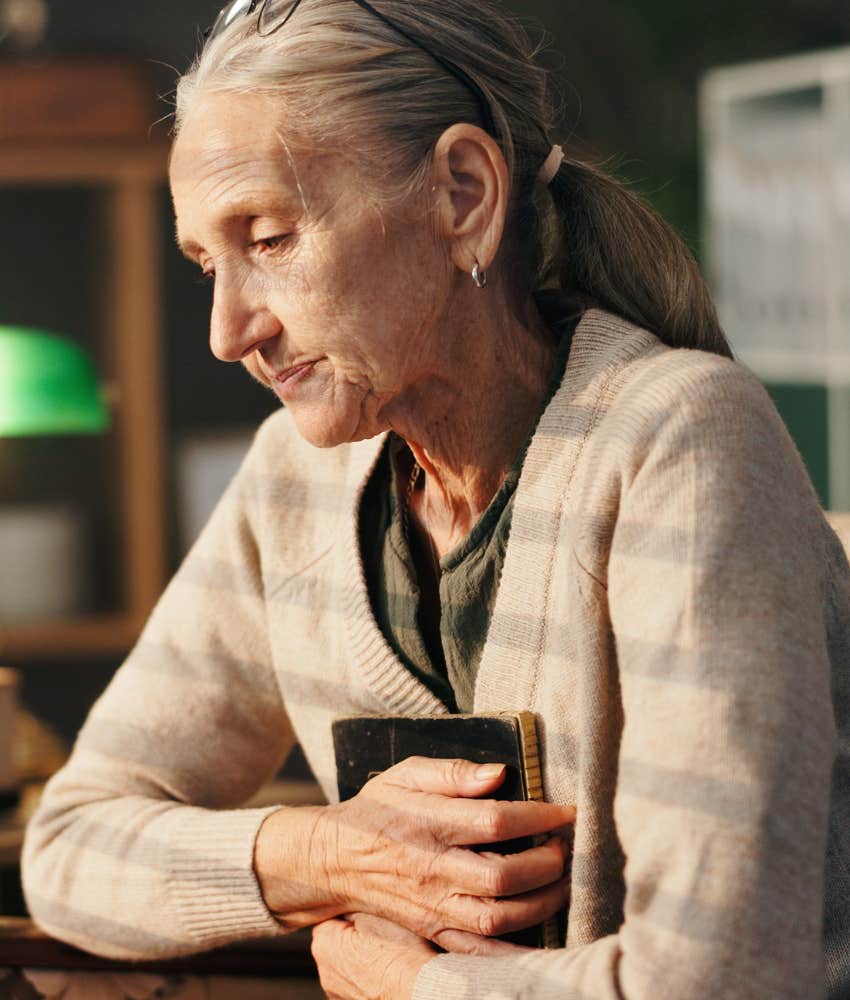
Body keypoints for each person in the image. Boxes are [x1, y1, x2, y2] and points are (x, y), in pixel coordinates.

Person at [21, 0, 850, 997]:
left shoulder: (678, 443)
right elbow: (67, 846)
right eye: (206, 264)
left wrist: (415, 987)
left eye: (271, 239)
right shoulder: (295, 477)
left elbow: (724, 979)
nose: (227, 331)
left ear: (462, 194)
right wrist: (323, 854)